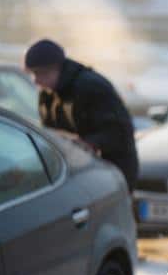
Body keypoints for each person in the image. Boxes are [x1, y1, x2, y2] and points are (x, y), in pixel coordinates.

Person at [24, 39, 138, 190]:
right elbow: (49, 132)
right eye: (33, 74)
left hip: (113, 172)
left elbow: (120, 130)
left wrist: (87, 143)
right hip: (77, 171)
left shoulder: (91, 86)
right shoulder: (47, 94)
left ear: (56, 68)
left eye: (40, 73)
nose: (36, 81)